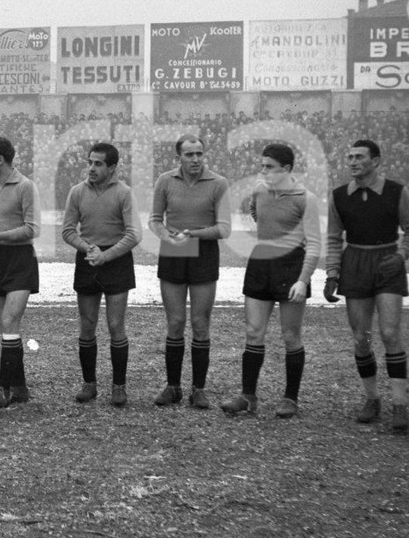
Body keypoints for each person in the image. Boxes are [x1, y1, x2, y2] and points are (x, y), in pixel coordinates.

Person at [221, 143, 320, 418]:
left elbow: (313, 244)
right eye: (262, 165)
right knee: (253, 332)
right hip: (261, 260)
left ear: (286, 169)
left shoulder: (305, 198)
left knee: (290, 335)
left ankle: (290, 399)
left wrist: (303, 279)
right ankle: (248, 396)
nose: (262, 171)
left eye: (269, 167)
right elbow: (256, 213)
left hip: (291, 265)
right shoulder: (259, 190)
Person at [324, 139, 409, 431]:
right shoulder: (338, 196)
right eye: (350, 156)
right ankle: (372, 399)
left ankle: (400, 405)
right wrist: (332, 273)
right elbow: (334, 237)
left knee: (389, 333)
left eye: (359, 156)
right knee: (361, 337)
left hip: (387, 262)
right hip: (355, 263)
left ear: (376, 161)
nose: (353, 161)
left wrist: (401, 256)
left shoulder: (397, 191)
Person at [148, 135, 231, 409]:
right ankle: (173, 387)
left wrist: (192, 234)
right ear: (179, 158)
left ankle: (199, 389)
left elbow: (224, 228)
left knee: (200, 323)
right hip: (175, 250)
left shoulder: (218, 183)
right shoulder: (165, 180)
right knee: (175, 322)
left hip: (203, 252)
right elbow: (155, 220)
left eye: (199, 154)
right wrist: (168, 237)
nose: (195, 159)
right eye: (189, 155)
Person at [61, 142, 142, 407]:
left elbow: (133, 235)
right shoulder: (77, 192)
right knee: (87, 325)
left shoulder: (124, 193)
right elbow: (68, 230)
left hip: (116, 260)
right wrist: (88, 249)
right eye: (90, 162)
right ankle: (89, 384)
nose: (92, 168)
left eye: (98, 164)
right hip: (88, 259)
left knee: (116, 326)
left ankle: (119, 387)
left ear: (112, 167)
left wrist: (105, 256)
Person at [0, 136, 41, 408]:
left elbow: (32, 228)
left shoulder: (26, 186)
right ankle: (20, 386)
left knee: (10, 321)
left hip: (21, 259)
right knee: (6, 328)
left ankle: (2, 388)